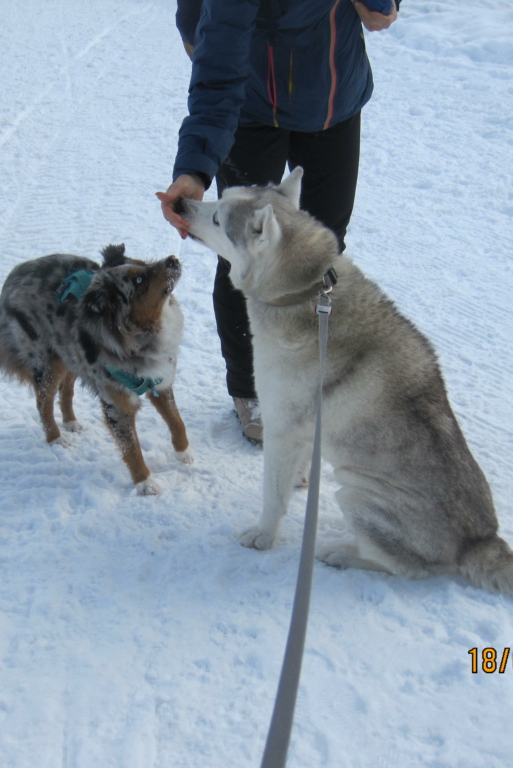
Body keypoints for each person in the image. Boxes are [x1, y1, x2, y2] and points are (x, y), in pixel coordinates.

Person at [158, 0, 399, 443]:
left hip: (332, 101)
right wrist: (195, 168)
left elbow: (382, 16)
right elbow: (213, 71)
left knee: (320, 254)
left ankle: (319, 382)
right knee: (244, 250)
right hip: (250, 108)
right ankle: (250, 389)